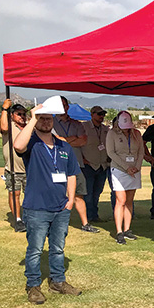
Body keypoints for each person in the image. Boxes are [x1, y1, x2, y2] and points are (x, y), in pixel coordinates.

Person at [13, 100, 82, 304]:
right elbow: (17, 145)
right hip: (36, 207)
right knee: (34, 249)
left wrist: (70, 200)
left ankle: (58, 281)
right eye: (41, 119)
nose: (45, 122)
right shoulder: (31, 142)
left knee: (58, 248)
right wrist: (32, 119)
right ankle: (33, 285)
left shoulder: (63, 146)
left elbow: (71, 174)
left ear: (53, 120)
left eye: (48, 118)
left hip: (61, 207)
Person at [53, 97, 99, 233]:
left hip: (76, 163)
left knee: (79, 194)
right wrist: (73, 139)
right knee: (56, 193)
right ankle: (55, 222)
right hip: (57, 163)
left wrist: (64, 141)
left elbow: (83, 141)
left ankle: (85, 224)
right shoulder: (51, 122)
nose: (63, 108)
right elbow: (55, 140)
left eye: (65, 105)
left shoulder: (77, 124)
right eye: (60, 106)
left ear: (68, 107)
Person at [106, 111, 145, 244]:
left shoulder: (137, 134)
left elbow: (141, 152)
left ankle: (127, 229)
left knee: (129, 200)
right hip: (119, 169)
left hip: (134, 170)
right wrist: (126, 167)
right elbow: (111, 152)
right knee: (120, 200)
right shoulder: (111, 133)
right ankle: (119, 231)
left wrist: (137, 167)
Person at [0, 99, 27, 232]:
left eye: (23, 114)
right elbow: (3, 128)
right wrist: (5, 109)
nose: (22, 116)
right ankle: (18, 219)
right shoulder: (9, 126)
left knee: (30, 194)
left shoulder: (28, 128)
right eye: (19, 114)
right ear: (12, 115)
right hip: (13, 168)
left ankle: (29, 217)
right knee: (14, 193)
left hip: (29, 168)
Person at [81, 106, 110, 222]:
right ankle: (88, 216)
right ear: (92, 114)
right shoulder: (84, 127)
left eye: (103, 114)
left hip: (102, 166)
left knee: (97, 193)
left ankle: (95, 215)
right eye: (99, 114)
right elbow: (78, 145)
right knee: (88, 193)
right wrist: (82, 159)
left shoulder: (105, 129)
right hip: (89, 165)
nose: (101, 116)